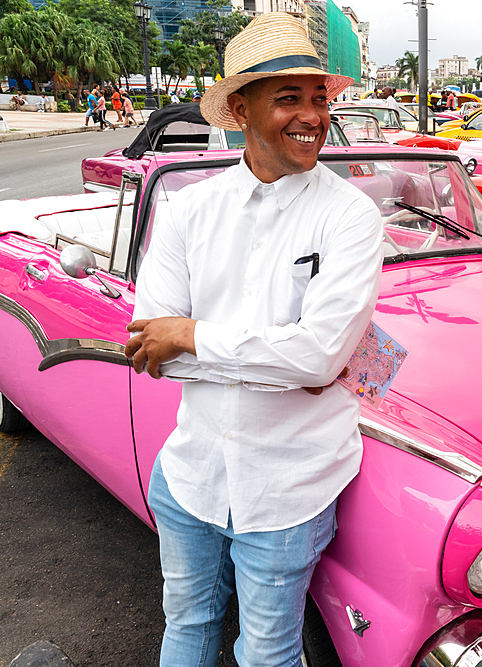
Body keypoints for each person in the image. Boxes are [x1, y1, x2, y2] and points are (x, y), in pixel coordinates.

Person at [124, 12, 382, 666]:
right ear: (239, 110)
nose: (312, 116)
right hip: (190, 475)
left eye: (319, 97)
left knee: (268, 653)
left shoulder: (350, 215)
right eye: (288, 98)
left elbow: (321, 355)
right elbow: (152, 351)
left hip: (290, 487)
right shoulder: (189, 210)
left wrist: (191, 334)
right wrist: (288, 358)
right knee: (185, 625)